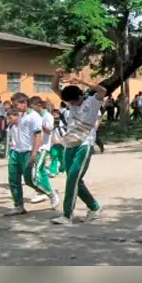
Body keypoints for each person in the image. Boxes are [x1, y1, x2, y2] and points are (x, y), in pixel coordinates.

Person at [49, 70, 105, 225]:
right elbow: (54, 88)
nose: (71, 105)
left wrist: (81, 81)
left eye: (73, 102)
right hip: (69, 144)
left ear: (80, 96)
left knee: (73, 179)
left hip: (84, 144)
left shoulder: (92, 102)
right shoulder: (70, 102)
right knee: (74, 180)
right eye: (69, 103)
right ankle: (94, 207)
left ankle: (67, 215)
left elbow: (102, 90)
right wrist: (57, 76)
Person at [31, 96, 63, 209]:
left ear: (38, 105)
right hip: (36, 146)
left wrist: (40, 124)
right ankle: (43, 191)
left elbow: (49, 130)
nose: (32, 109)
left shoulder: (48, 116)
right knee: (41, 170)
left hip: (44, 146)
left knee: (37, 171)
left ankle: (49, 193)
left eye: (33, 107)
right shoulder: (34, 116)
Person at [49, 107, 66, 177]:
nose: (54, 116)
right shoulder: (50, 124)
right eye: (53, 114)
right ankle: (53, 172)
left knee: (62, 158)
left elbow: (65, 135)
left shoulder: (62, 125)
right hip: (53, 144)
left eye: (56, 114)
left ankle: (62, 169)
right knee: (54, 157)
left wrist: (60, 141)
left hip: (62, 144)